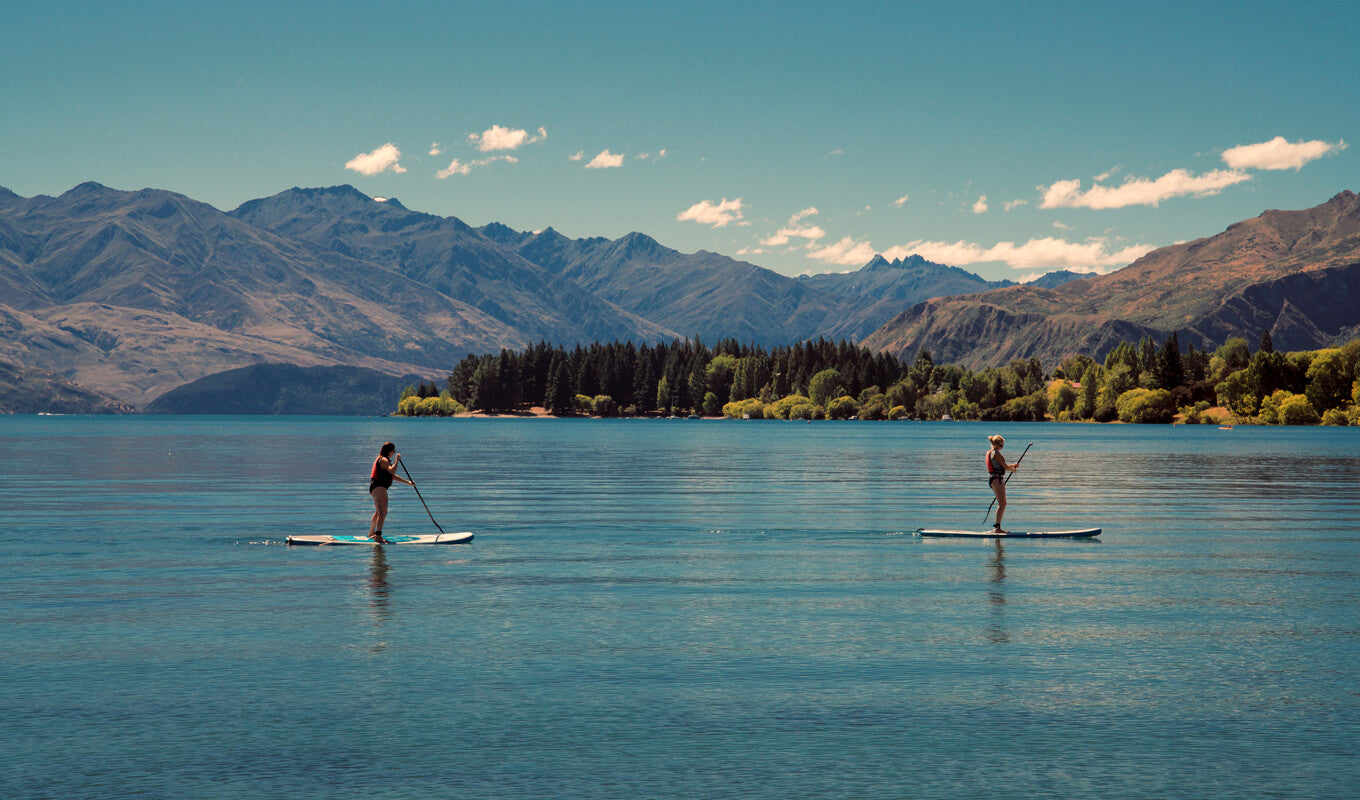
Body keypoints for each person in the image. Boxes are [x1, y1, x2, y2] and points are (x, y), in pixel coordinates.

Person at [369, 441, 414, 543]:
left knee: (378, 512)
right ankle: (378, 536)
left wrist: (408, 482)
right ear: (390, 451)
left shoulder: (383, 460)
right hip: (379, 488)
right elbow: (393, 471)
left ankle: (371, 533)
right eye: (393, 451)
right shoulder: (384, 460)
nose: (394, 453)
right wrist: (397, 460)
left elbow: (392, 476)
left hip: (376, 488)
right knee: (383, 512)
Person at [986, 434, 1018, 533]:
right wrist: (1012, 469)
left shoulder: (991, 452)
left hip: (994, 479)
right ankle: (997, 528)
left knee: (1002, 503)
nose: (1002, 448)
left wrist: (1012, 465)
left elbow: (1002, 466)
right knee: (1002, 503)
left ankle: (997, 527)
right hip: (997, 480)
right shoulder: (996, 454)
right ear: (996, 445)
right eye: (1001, 446)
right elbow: (1005, 467)